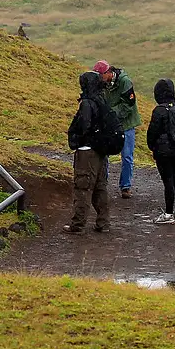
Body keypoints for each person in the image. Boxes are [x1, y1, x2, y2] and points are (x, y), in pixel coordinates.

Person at [65, 71, 111, 233]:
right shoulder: (102, 100)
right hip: (101, 151)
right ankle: (103, 222)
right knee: (100, 187)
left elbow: (84, 126)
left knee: (82, 187)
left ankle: (78, 224)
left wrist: (75, 139)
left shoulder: (87, 103)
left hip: (87, 152)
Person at [93, 60, 141, 198]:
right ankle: (102, 183)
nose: (99, 78)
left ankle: (125, 187)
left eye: (101, 75)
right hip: (109, 124)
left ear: (108, 72)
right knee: (104, 155)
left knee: (126, 156)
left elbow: (128, 105)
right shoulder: (101, 84)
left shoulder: (125, 82)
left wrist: (110, 114)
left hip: (126, 124)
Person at [146, 78, 175, 224]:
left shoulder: (158, 111)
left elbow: (152, 133)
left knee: (168, 181)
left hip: (163, 152)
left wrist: (153, 147)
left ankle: (168, 214)